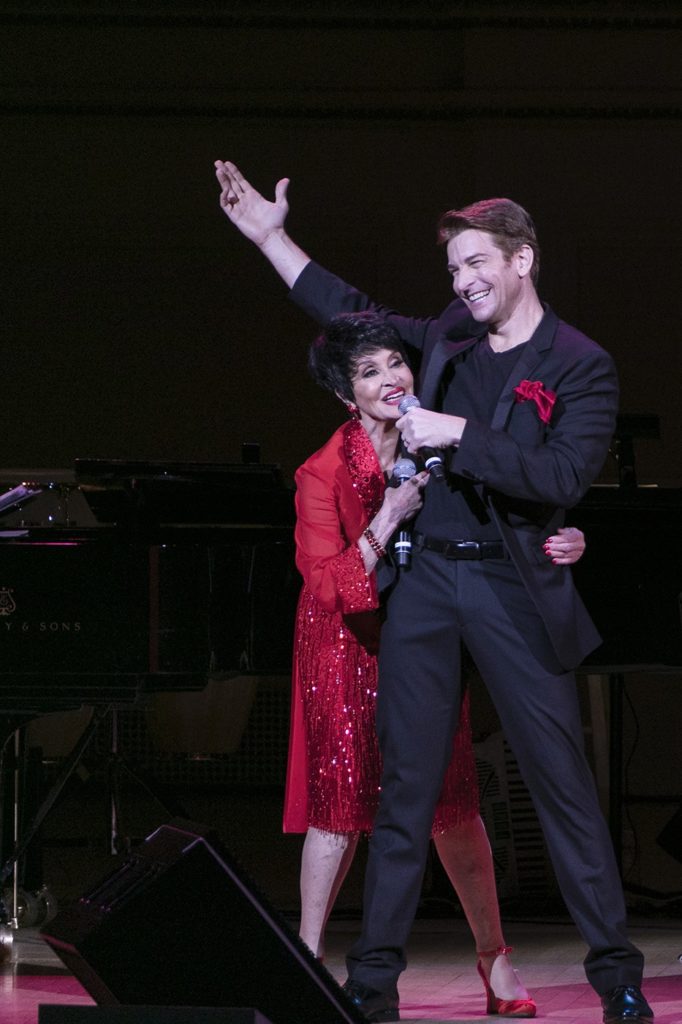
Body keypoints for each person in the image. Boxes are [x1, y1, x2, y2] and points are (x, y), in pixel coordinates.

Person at [214, 162, 653, 1024]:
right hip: (426, 582)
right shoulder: (449, 335)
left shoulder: (579, 363)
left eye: (479, 263)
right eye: (454, 270)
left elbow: (561, 473)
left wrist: (461, 434)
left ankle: (619, 980)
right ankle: (371, 990)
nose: (464, 282)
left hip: (512, 582)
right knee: (406, 792)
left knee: (561, 786)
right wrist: (272, 239)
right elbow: (351, 311)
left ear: (524, 258)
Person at [286, 310, 586, 1018]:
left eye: (396, 362)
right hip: (344, 647)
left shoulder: (441, 435)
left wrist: (568, 536)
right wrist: (388, 517)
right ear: (345, 396)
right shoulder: (322, 470)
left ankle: (496, 961)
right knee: (341, 807)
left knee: (452, 806)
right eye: (369, 372)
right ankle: (302, 962)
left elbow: (518, 497)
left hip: (421, 641)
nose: (391, 378)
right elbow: (326, 585)